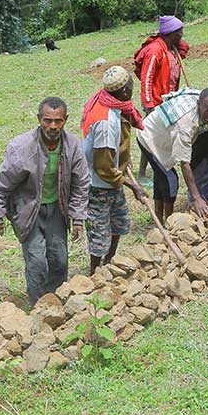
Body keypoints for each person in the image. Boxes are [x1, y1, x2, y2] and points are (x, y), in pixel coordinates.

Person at [0, 97, 90, 305]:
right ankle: (38, 306)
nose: (52, 126)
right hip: (28, 210)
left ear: (66, 120)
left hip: (57, 209)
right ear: (39, 119)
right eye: (47, 120)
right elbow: (3, 184)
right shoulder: (21, 147)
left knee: (59, 259)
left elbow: (81, 183)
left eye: (58, 121)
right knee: (36, 262)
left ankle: (56, 302)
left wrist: (78, 218)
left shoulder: (72, 145)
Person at [80, 67, 148, 272]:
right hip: (98, 184)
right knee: (99, 231)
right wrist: (133, 187)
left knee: (119, 222)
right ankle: (94, 272)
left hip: (112, 178)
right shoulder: (106, 123)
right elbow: (104, 168)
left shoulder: (110, 102)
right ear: (125, 91)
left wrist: (124, 161)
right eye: (131, 86)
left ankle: (110, 261)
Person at [136, 88, 208, 221]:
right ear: (199, 104)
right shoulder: (186, 124)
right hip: (149, 138)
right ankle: (169, 222)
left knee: (162, 178)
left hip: (162, 137)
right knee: (171, 180)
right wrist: (197, 198)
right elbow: (184, 163)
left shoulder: (202, 101)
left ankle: (159, 219)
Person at [135, 15, 188, 182]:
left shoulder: (172, 47)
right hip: (155, 101)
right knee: (149, 136)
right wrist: (149, 105)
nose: (182, 35)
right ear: (170, 33)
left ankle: (164, 165)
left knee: (166, 135)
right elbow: (147, 78)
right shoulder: (154, 50)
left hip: (169, 99)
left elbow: (183, 51)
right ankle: (142, 173)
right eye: (179, 32)